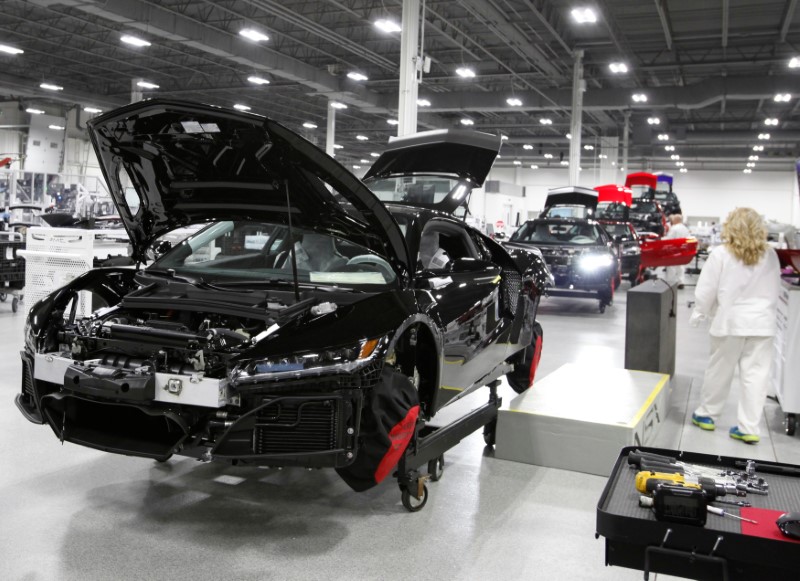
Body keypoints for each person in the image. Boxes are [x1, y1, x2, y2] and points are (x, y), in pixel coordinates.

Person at [690, 208, 781, 444]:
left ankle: (707, 415)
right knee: (756, 376)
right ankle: (749, 427)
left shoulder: (721, 254)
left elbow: (706, 288)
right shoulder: (770, 255)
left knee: (719, 370)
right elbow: (775, 288)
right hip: (762, 324)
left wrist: (701, 311)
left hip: (730, 323)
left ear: (731, 226)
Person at [663, 214, 691, 288]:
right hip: (683, 249)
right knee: (681, 267)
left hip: (674, 249)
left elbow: (669, 239)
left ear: (676, 220)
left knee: (671, 267)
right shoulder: (685, 228)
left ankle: (670, 283)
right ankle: (680, 282)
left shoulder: (674, 228)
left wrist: (661, 240)